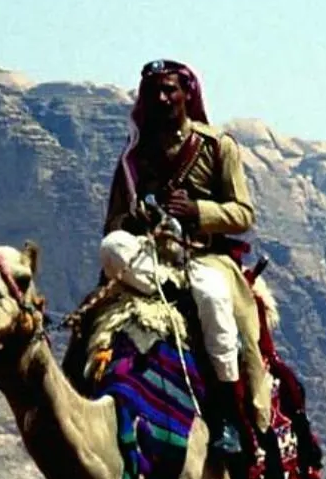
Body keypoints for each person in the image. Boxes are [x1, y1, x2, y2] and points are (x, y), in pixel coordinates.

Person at [101, 58, 261, 454]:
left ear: (186, 93)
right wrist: (136, 218)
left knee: (210, 296)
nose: (162, 98)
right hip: (151, 256)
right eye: (154, 90)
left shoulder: (216, 147)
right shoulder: (133, 156)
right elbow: (113, 224)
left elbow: (243, 214)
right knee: (111, 249)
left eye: (170, 89)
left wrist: (197, 213)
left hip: (202, 256)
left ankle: (226, 413)